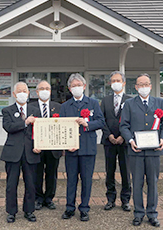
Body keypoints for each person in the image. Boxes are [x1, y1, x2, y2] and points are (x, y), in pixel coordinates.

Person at [119, 73, 163, 227]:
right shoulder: (129, 104)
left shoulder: (159, 103)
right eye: (140, 84)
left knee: (153, 183)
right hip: (136, 151)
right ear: (135, 87)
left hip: (154, 151)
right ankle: (139, 213)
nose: (143, 87)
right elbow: (124, 125)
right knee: (137, 183)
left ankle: (152, 214)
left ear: (151, 85)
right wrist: (130, 140)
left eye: (146, 84)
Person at [60, 73, 105, 222]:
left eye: (79, 85)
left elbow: (101, 122)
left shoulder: (93, 103)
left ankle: (84, 208)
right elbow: (61, 128)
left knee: (87, 180)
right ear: (69, 88)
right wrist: (66, 146)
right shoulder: (65, 106)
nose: (77, 88)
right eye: (74, 86)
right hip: (71, 149)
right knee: (71, 180)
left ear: (84, 87)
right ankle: (69, 207)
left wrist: (88, 124)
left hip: (88, 148)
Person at [0, 82, 41, 223]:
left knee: (30, 183)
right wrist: (25, 123)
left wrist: (39, 145)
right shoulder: (7, 110)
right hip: (13, 152)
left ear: (29, 93)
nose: (22, 93)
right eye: (19, 91)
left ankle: (29, 211)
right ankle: (11, 212)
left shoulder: (35, 110)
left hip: (31, 152)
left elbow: (40, 131)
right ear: (14, 94)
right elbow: (8, 127)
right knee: (12, 184)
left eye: (25, 90)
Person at [100, 71, 131, 212]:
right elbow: (102, 120)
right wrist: (109, 135)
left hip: (124, 142)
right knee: (109, 170)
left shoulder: (130, 100)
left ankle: (125, 200)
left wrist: (123, 136)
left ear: (124, 83)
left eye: (118, 80)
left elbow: (132, 121)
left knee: (125, 171)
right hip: (109, 141)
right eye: (113, 81)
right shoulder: (105, 100)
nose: (115, 83)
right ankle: (110, 199)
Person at [29, 80, 62, 210]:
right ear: (37, 92)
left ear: (50, 91)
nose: (44, 91)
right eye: (42, 88)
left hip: (53, 147)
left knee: (52, 174)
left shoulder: (58, 107)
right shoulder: (30, 107)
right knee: (37, 174)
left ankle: (49, 198)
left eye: (47, 88)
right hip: (37, 147)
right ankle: (38, 198)